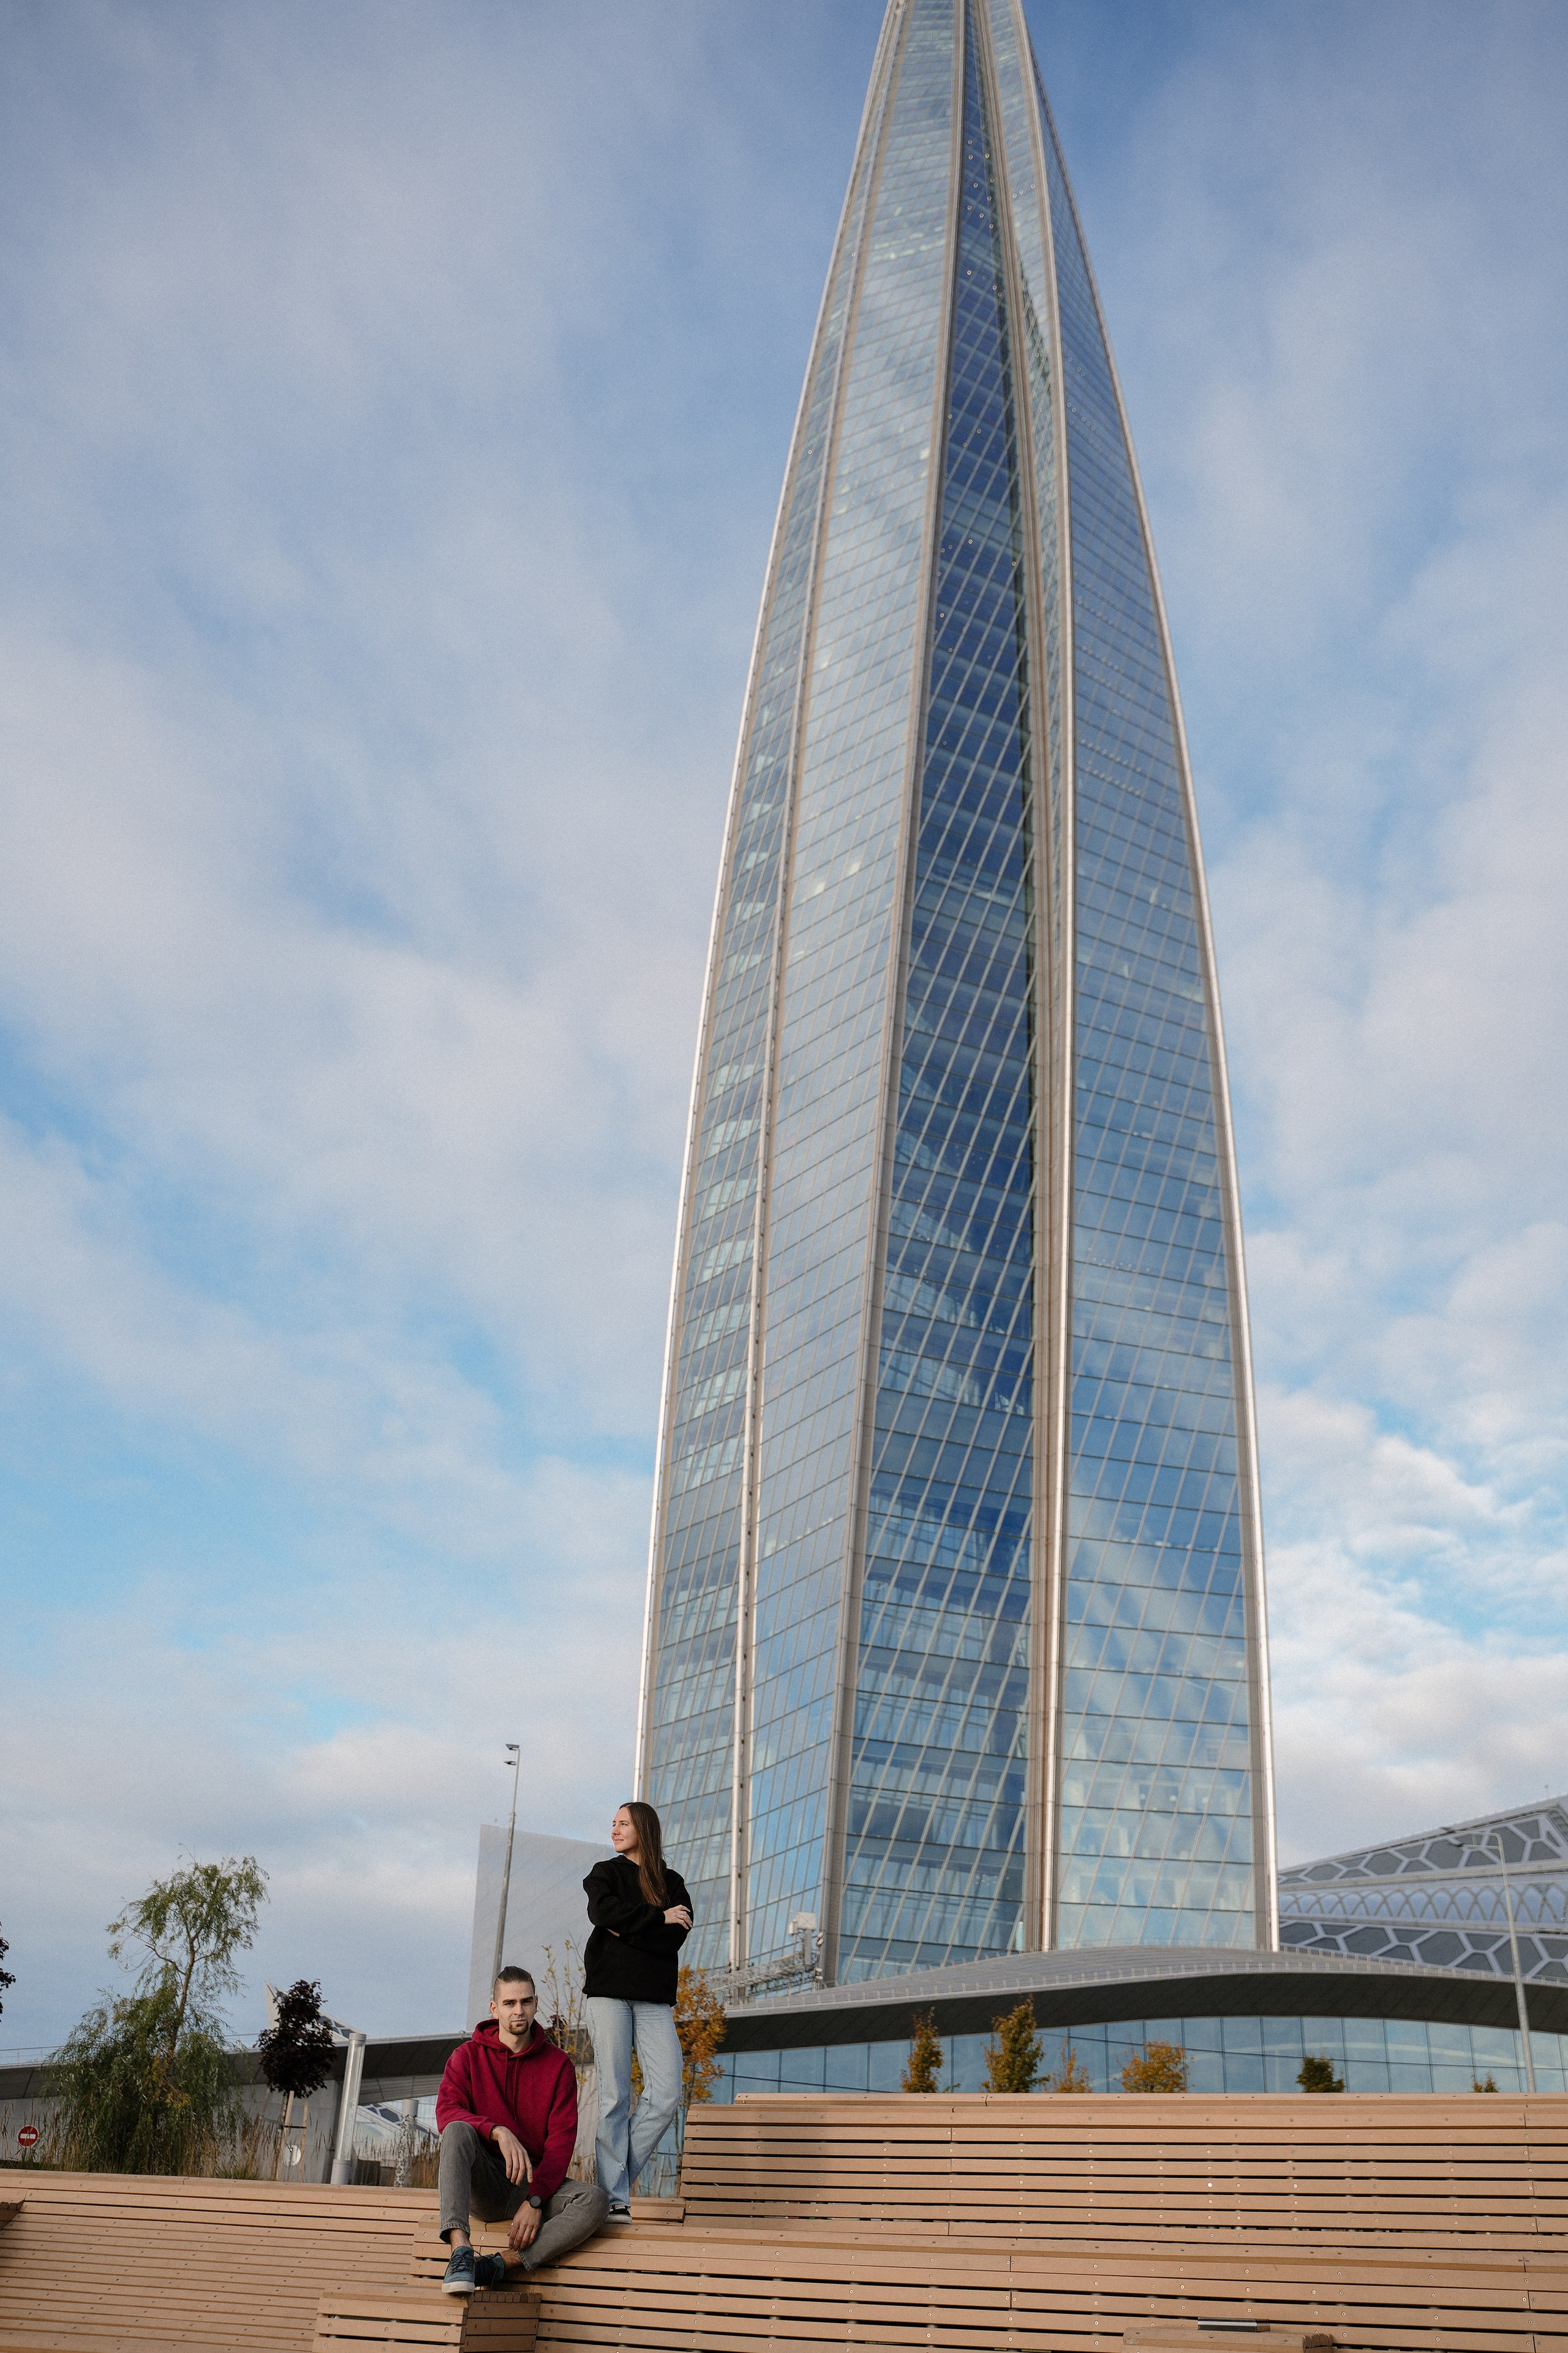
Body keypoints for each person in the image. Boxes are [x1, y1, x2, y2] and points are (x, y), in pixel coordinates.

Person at [434, 1965, 609, 2294]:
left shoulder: (558, 2065)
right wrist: (497, 2131)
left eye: (526, 2002)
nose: (519, 2011)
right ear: (494, 2008)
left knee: (595, 2200)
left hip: (531, 2183)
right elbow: (446, 2113)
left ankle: (498, 2265)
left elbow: (561, 2143)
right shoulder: (467, 2057)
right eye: (510, 2003)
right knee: (457, 2129)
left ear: (536, 2003)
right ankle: (461, 2252)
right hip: (484, 2184)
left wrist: (536, 2200)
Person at [583, 1800, 692, 2220]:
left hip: (653, 1999)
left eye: (623, 1823)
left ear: (644, 1828)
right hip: (608, 1993)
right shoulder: (604, 1873)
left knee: (666, 2095)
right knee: (615, 2095)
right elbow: (601, 1911)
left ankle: (612, 2182)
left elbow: (672, 1939)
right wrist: (656, 1919)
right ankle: (614, 2199)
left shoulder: (673, 1882)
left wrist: (626, 1927)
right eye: (613, 1822)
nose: (614, 1829)